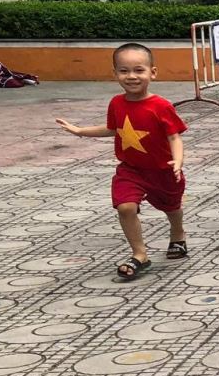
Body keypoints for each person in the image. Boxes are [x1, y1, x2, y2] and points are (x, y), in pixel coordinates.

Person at [55, 43, 188, 281]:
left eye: (139, 70)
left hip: (163, 171)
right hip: (130, 170)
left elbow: (174, 137)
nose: (131, 76)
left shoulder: (161, 106)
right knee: (125, 207)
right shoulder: (116, 103)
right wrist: (80, 131)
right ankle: (140, 254)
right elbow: (112, 129)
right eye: (124, 71)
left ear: (153, 73)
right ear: (115, 73)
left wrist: (177, 160)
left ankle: (177, 233)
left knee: (171, 207)